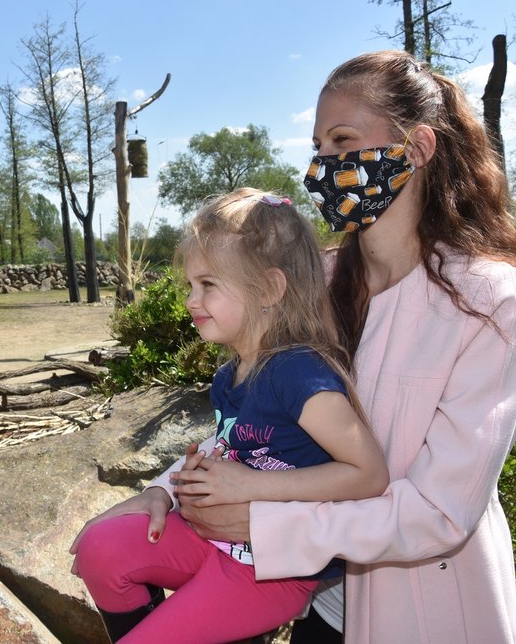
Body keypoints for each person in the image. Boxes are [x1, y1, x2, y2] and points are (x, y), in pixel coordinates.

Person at [172, 50, 516, 643]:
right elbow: (251, 422)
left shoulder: (487, 299)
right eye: (319, 147)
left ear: (417, 149)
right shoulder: (311, 282)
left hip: (425, 611)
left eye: (343, 140)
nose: (324, 165)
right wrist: (165, 493)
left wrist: (270, 526)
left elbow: (440, 511)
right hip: (322, 609)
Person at [70, 187, 390, 643]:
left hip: (272, 568)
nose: (190, 301)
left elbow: (369, 473)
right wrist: (165, 491)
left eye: (208, 286)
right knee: (100, 549)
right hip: (216, 541)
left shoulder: (298, 372)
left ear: (269, 290)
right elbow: (236, 453)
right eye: (190, 286)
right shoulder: (229, 376)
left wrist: (254, 486)